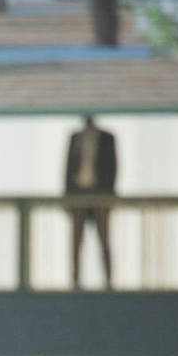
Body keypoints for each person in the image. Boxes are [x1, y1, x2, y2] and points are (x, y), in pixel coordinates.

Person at [64, 115, 118, 289]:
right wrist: (67, 197)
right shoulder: (75, 137)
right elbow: (67, 168)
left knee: (104, 239)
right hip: (78, 194)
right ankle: (75, 281)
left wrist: (108, 196)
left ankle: (109, 281)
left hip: (100, 194)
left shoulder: (107, 138)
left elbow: (113, 167)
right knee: (76, 242)